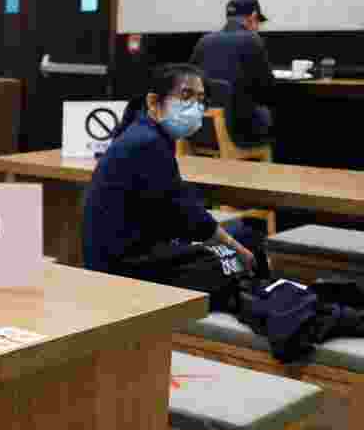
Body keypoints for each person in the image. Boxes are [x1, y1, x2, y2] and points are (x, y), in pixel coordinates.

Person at [83, 63, 268, 283]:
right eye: (186, 95)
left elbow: (173, 208)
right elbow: (185, 214)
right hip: (125, 266)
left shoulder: (145, 133)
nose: (195, 106)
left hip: (131, 253)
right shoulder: (147, 142)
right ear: (154, 102)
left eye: (200, 100)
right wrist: (234, 247)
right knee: (239, 250)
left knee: (245, 233)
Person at [189, 0, 275, 146]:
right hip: (239, 133)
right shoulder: (252, 40)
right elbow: (267, 90)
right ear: (253, 17)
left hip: (201, 130)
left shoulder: (203, 41)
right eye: (258, 23)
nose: (257, 28)